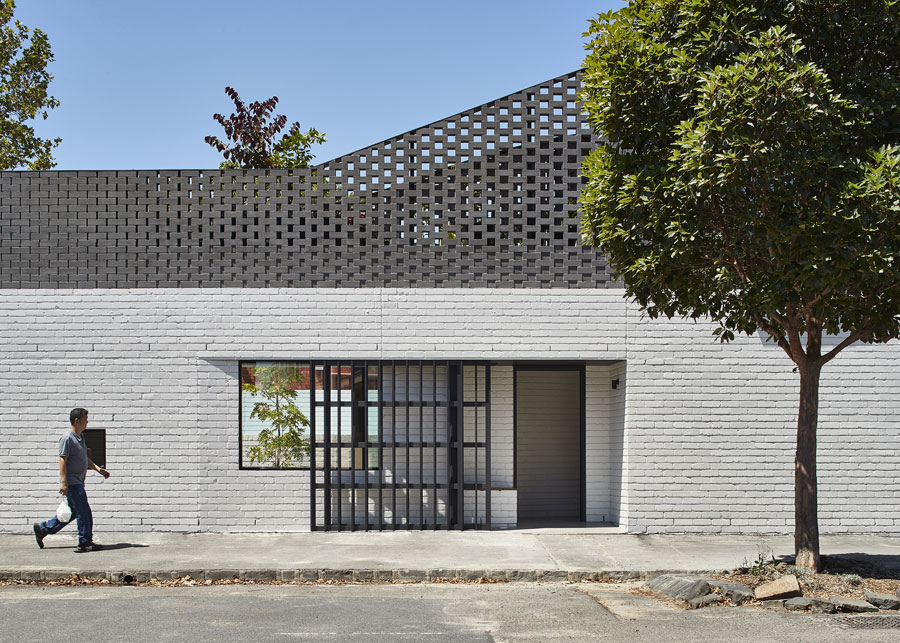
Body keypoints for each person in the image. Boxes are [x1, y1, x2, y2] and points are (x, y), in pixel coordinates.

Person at [33, 408, 110, 552]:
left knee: (73, 512)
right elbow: (62, 460)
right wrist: (63, 482)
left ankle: (43, 529)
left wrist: (99, 470)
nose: (87, 423)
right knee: (84, 511)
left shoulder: (80, 437)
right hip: (72, 482)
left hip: (78, 481)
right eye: (85, 420)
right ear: (77, 420)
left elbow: (84, 459)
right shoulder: (67, 438)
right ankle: (84, 541)